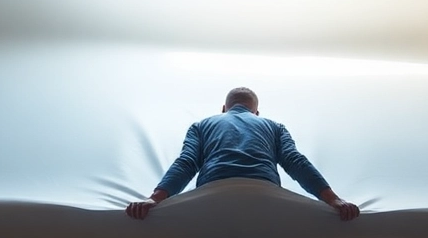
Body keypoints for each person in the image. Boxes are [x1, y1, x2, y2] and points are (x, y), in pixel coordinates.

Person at [126, 87, 360, 221]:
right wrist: (334, 200)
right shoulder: (274, 126)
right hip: (265, 190)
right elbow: (295, 162)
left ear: (223, 109)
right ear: (256, 112)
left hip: (212, 190)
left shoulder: (201, 125)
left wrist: (153, 199)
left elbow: (186, 163)